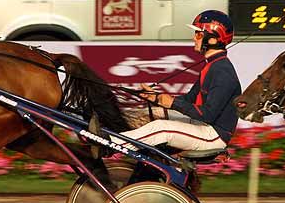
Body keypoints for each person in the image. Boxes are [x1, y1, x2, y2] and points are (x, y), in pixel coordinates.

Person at [103, 10, 241, 153]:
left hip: (214, 135)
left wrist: (172, 103)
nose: (194, 38)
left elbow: (208, 114)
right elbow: (190, 99)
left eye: (199, 34)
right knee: (153, 113)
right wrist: (157, 98)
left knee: (162, 128)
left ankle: (109, 143)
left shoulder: (222, 71)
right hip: (203, 125)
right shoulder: (212, 65)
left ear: (213, 39)